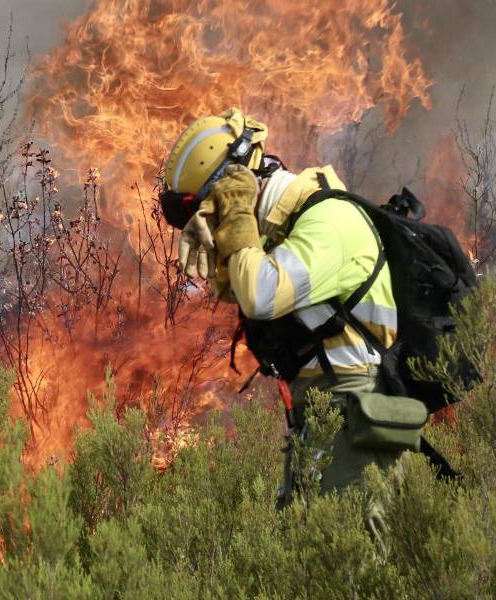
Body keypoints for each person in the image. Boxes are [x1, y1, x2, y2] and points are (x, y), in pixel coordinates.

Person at [160, 107, 404, 510]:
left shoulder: (330, 219)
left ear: (237, 185)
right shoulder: (284, 232)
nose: (210, 222)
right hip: (322, 410)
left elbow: (260, 294)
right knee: (301, 539)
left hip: (356, 406)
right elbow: (238, 289)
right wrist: (228, 240)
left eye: (209, 207)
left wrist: (236, 212)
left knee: (348, 543)